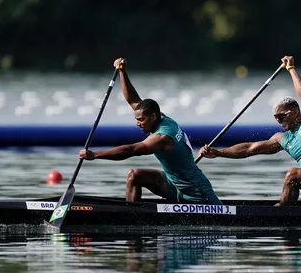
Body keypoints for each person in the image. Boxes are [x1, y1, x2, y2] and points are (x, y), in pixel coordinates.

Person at [199, 56, 301, 207]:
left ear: (295, 112)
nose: (278, 121)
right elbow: (249, 149)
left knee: (292, 174)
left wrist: (291, 69)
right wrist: (218, 153)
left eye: (281, 116)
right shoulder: (282, 139)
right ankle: (287, 215)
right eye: (275, 118)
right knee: (293, 179)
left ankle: (282, 214)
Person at [79, 58, 222, 205]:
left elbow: (132, 150)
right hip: (173, 185)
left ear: (153, 116)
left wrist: (95, 155)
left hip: (196, 191)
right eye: (137, 119)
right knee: (134, 176)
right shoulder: (160, 118)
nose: (138, 123)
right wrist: (122, 72)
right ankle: (131, 216)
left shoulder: (163, 137)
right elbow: (133, 99)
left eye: (141, 120)